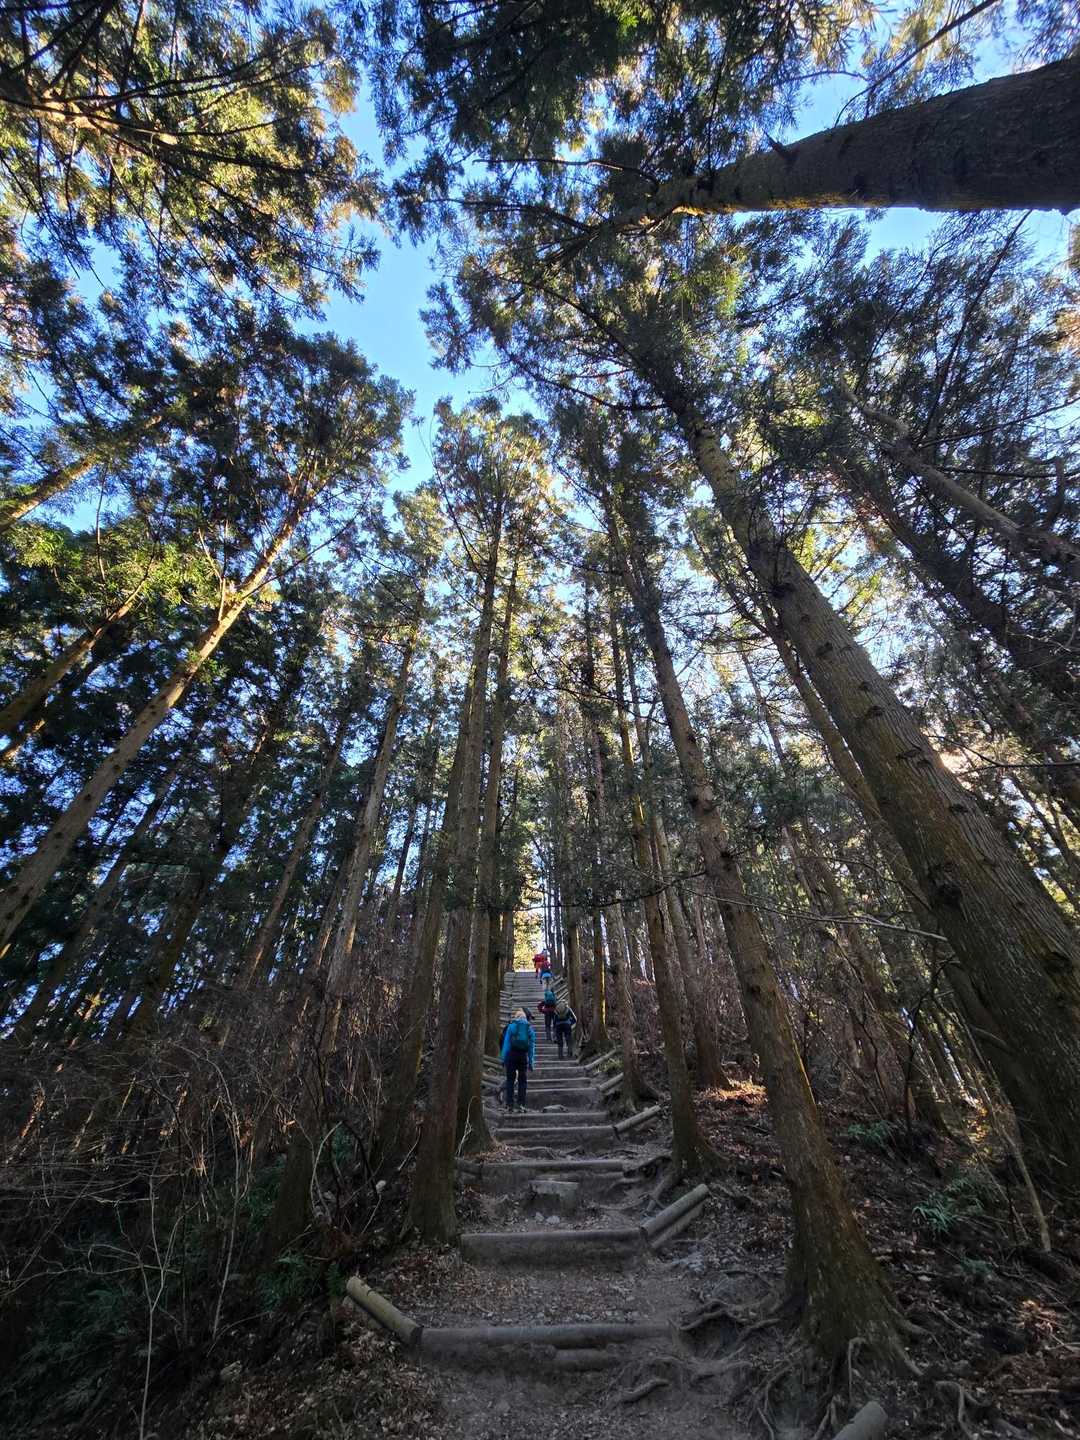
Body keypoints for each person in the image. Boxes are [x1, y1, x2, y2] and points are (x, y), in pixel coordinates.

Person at [501, 1006, 535, 1113]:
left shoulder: (511, 1027)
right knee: (522, 1080)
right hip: (523, 1056)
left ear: (516, 1017)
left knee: (510, 1080)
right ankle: (521, 1104)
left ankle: (509, 1104)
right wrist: (531, 1062)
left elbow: (506, 1044)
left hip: (512, 1055)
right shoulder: (529, 1028)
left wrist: (503, 1058)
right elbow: (531, 1047)